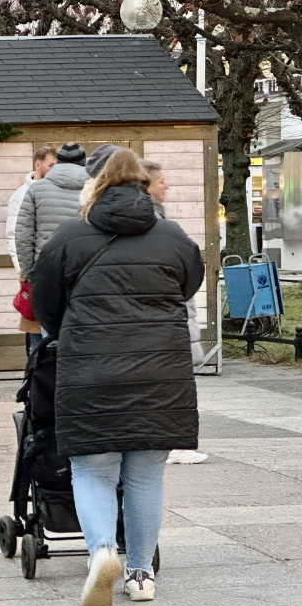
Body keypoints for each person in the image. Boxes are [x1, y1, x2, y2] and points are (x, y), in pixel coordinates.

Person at [32, 149, 204, 606]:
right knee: (146, 473)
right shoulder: (172, 236)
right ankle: (142, 573)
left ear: (94, 184)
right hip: (160, 373)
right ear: (143, 186)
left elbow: (43, 302)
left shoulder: (69, 237)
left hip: (90, 372)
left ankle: (103, 551)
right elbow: (189, 285)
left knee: (93, 469)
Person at [141, 159, 208, 466]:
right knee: (172, 382)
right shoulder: (159, 225)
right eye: (161, 181)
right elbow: (191, 269)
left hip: (165, 313)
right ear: (146, 187)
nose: (166, 185)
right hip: (169, 315)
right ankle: (174, 444)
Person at [15, 142, 89, 355]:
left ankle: (47, 384)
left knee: (48, 337)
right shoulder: (95, 189)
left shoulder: (37, 190)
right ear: (83, 162)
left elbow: (23, 235)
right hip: (85, 272)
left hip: (46, 272)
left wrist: (29, 272)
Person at [6, 146, 57, 271]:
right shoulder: (21, 195)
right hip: (36, 268)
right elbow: (14, 235)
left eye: (57, 166)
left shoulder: (57, 192)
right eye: (51, 165)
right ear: (38, 165)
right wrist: (22, 271)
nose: (55, 170)